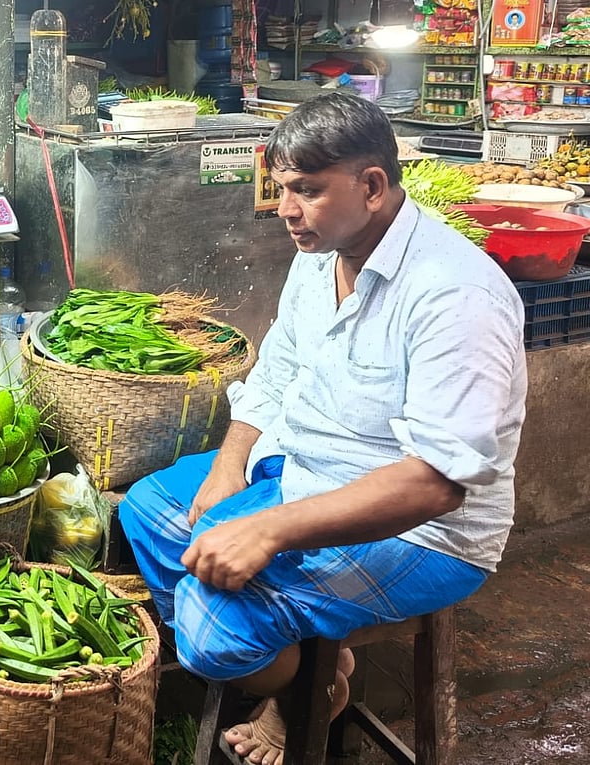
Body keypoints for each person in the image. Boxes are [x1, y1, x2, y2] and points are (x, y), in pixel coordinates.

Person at [118, 90, 527, 765]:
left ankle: (295, 691)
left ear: (371, 186)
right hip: (302, 472)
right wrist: (228, 469)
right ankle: (316, 662)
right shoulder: (318, 257)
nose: (284, 210)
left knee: (210, 629)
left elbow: (435, 485)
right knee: (150, 513)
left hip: (426, 533)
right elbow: (275, 374)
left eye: (306, 190)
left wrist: (268, 528)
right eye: (281, 189)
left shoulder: (457, 295)